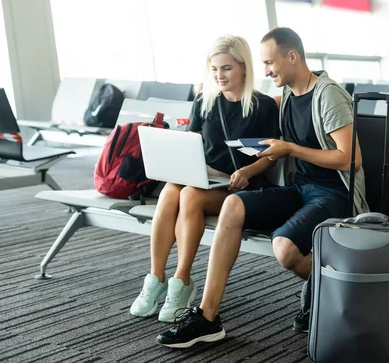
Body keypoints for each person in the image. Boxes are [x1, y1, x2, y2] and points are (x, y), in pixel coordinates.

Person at [155, 27, 369, 348]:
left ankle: (341, 283)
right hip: (300, 190)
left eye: (270, 63)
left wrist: (290, 149)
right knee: (234, 204)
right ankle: (207, 317)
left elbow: (351, 160)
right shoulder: (288, 100)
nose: (266, 71)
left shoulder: (329, 94)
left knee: (284, 249)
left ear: (292, 56)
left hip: (336, 194)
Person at [129, 35, 280, 323]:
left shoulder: (263, 106)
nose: (219, 76)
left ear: (243, 68)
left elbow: (272, 154)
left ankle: (182, 280)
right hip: (205, 178)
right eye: (214, 69)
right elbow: (193, 144)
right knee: (171, 191)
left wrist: (247, 172)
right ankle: (156, 277)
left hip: (241, 185)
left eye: (226, 68)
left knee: (188, 195)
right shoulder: (205, 101)